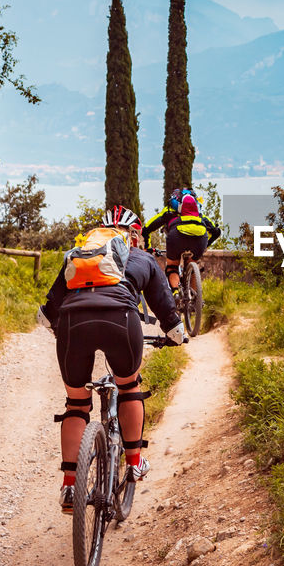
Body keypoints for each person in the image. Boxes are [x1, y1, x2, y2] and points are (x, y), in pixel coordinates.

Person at [37, 205, 185, 514]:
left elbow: (47, 313)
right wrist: (174, 334)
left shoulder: (80, 256)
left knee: (76, 404)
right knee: (128, 387)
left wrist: (60, 330)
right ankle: (134, 463)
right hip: (120, 320)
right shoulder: (142, 258)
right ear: (134, 236)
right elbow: (166, 308)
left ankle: (69, 486)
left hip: (72, 324)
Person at [144, 188, 221, 292]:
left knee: (172, 267)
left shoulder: (169, 211)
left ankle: (175, 292)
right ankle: (195, 298)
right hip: (200, 238)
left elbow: (147, 228)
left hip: (176, 237)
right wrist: (206, 245)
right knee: (193, 264)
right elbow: (216, 232)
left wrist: (147, 248)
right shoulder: (198, 214)